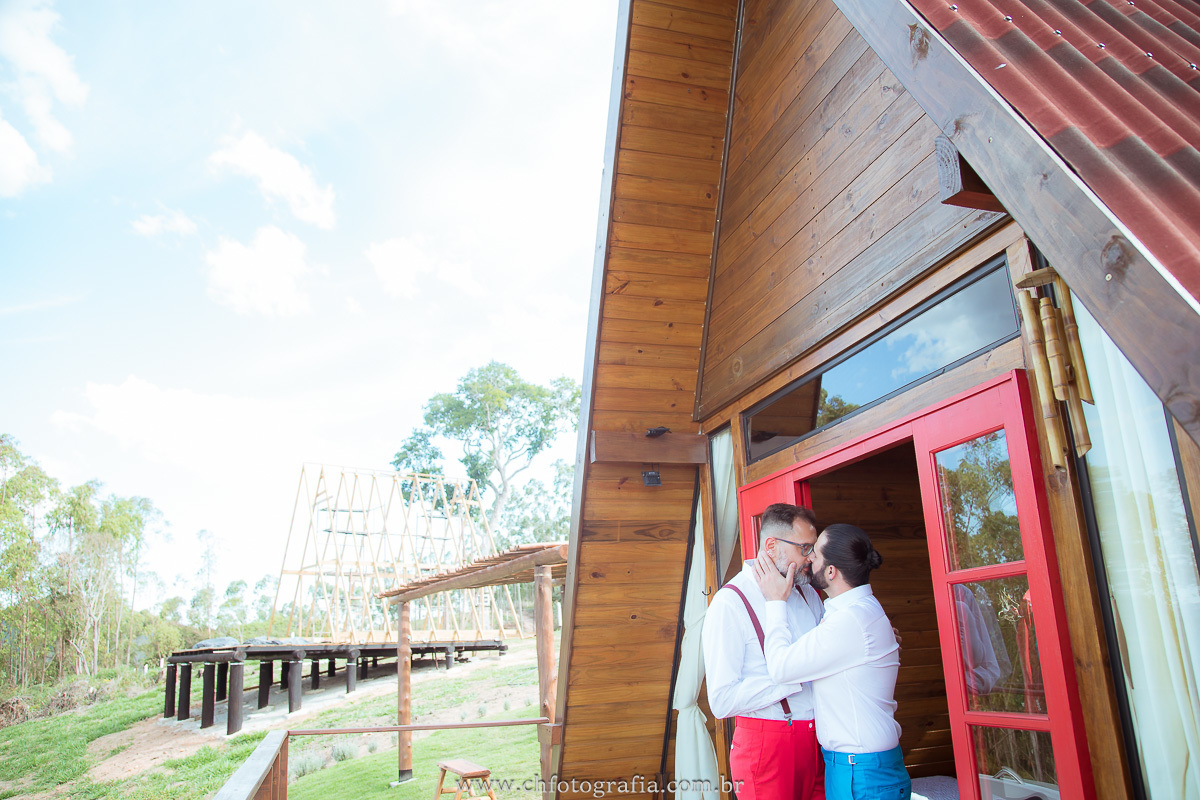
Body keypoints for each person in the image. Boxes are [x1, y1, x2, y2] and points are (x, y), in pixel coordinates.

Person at [753, 523, 909, 800]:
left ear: (831, 572)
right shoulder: (855, 614)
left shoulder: (851, 620)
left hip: (862, 773)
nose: (808, 557)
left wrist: (775, 602)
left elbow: (780, 668)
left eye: (815, 553)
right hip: (854, 766)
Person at [702, 503, 826, 800]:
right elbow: (721, 701)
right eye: (805, 548)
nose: (811, 558)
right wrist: (791, 676)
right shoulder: (729, 602)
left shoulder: (808, 592)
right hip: (766, 747)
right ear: (771, 545)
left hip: (820, 740)